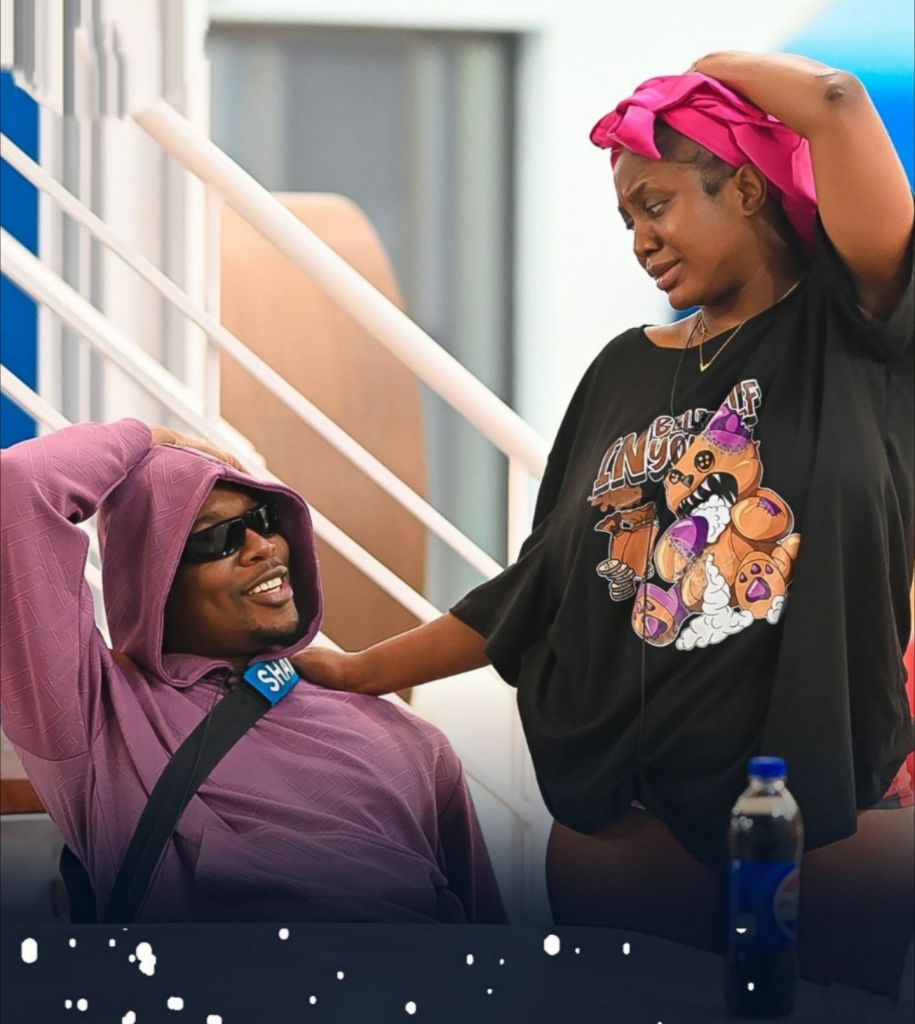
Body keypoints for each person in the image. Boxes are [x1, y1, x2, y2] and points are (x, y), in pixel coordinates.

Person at [296, 52, 914, 995]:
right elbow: (537, 587)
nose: (639, 238)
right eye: (626, 216)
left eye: (657, 202)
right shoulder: (622, 369)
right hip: (630, 823)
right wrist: (356, 672)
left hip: (827, 812)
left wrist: (701, 72)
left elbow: (836, 102)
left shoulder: (854, 324)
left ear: (744, 186)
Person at [0, 420, 506, 925]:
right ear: (153, 576)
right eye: (219, 537)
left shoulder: (413, 742)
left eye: (265, 520)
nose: (263, 546)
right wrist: (154, 437)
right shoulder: (98, 717)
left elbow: (492, 959)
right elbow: (19, 486)